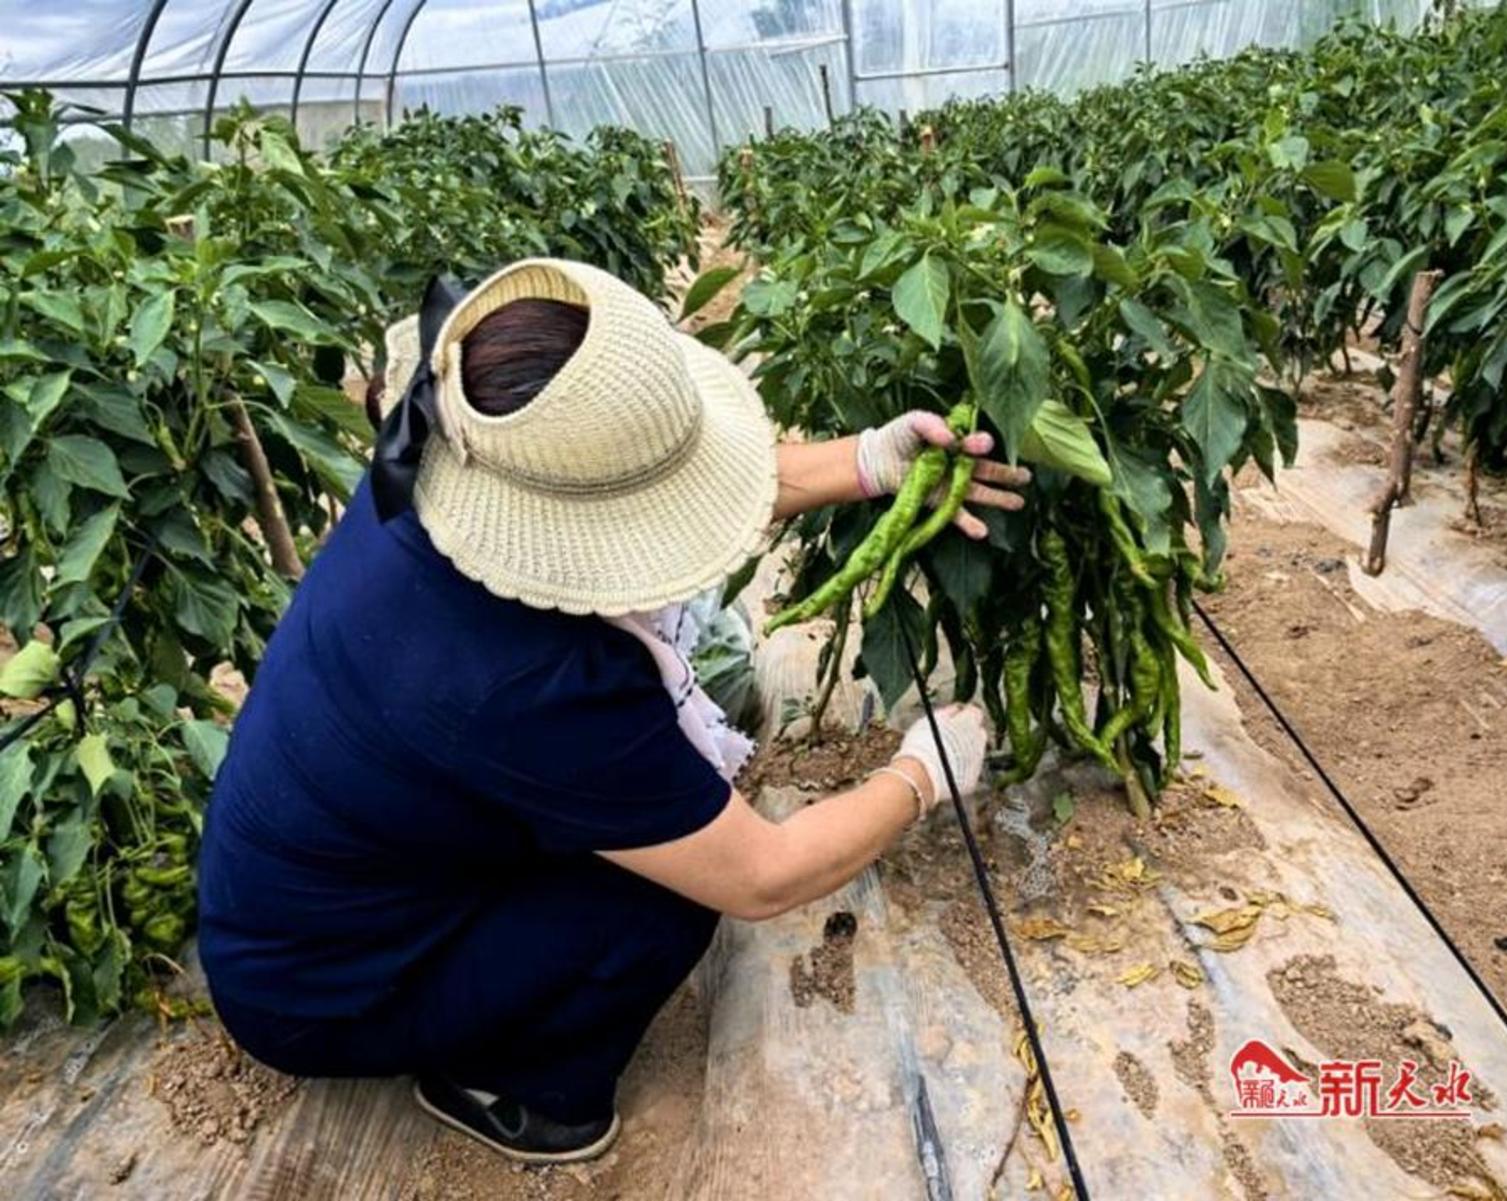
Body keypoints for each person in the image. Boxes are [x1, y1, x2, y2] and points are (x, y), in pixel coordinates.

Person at [197, 259, 1027, 1165]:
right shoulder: (531, 679)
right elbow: (764, 874)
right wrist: (921, 772)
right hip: (325, 989)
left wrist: (868, 460)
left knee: (647, 815)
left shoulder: (442, 459)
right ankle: (510, 1087)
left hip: (329, 884)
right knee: (661, 900)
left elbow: (670, 491)